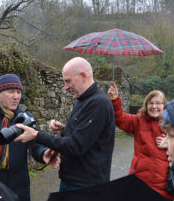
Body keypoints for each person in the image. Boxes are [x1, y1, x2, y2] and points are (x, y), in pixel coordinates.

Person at [15, 57, 115, 192]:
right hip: (72, 181)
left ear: (83, 76)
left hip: (86, 186)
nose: (66, 87)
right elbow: (85, 135)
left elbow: (76, 146)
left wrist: (36, 135)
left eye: (68, 81)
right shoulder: (81, 100)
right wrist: (64, 130)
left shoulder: (98, 103)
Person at [107, 82, 174, 199]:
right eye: (151, 103)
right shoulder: (139, 120)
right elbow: (120, 119)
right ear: (146, 105)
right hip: (139, 183)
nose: (154, 106)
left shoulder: (173, 124)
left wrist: (169, 143)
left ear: (164, 105)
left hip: (163, 189)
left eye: (158, 103)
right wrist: (114, 99)